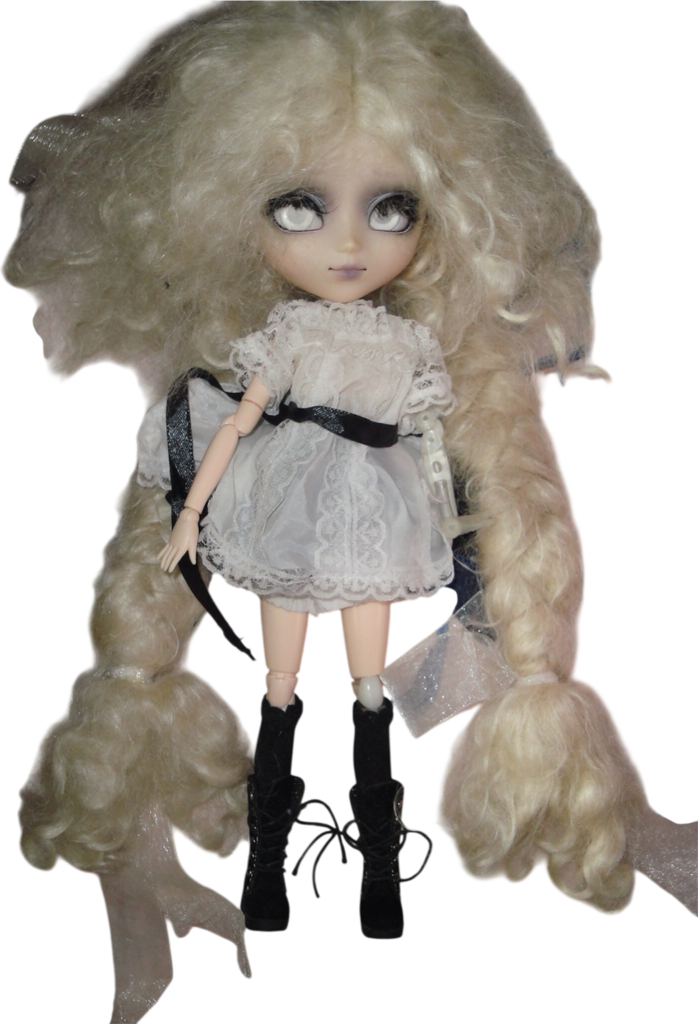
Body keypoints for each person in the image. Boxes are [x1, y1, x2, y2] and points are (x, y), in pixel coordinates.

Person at [5, 2, 695, 1021]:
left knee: (366, 693)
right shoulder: (259, 347)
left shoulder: (420, 350)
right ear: (222, 211)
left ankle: (375, 855)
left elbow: (474, 464)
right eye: (299, 206)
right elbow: (221, 435)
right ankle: (269, 859)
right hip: (283, 529)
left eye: (389, 207)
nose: (346, 240)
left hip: (381, 536)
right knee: (284, 687)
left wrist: (501, 584)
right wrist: (185, 521)